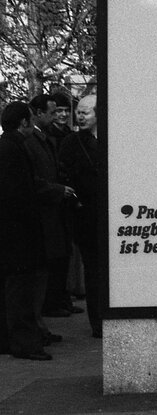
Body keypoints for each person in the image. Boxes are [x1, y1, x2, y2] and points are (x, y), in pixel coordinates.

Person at [0, 102, 54, 361]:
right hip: (18, 234)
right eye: (30, 119)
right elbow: (18, 194)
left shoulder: (7, 145)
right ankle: (24, 343)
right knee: (20, 290)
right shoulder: (14, 149)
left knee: (13, 288)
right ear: (23, 122)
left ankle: (11, 339)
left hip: (11, 232)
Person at [26, 95, 75, 323]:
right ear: (38, 113)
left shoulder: (44, 138)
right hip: (45, 211)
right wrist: (56, 189)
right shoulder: (31, 141)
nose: (57, 116)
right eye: (53, 112)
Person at [57, 94, 102, 338]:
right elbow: (64, 176)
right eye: (79, 112)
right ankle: (97, 321)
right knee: (93, 271)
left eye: (86, 112)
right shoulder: (71, 143)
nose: (80, 116)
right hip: (86, 218)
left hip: (111, 217)